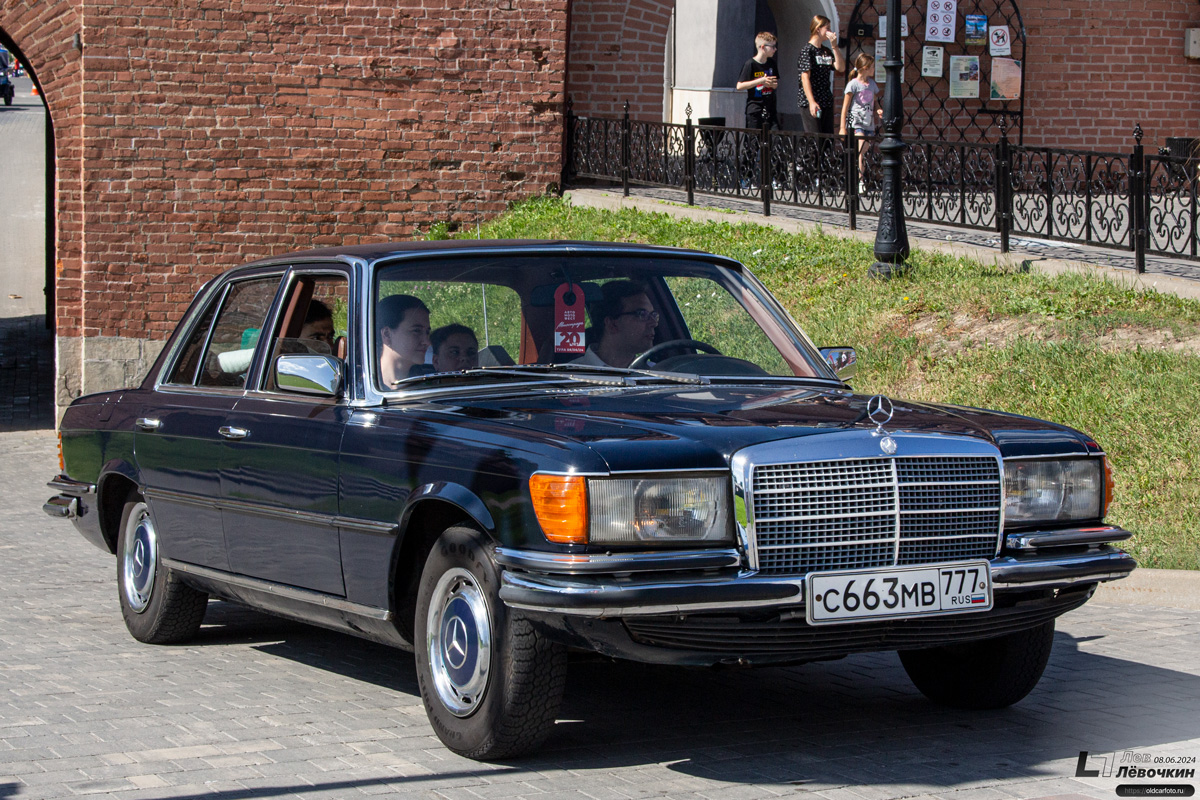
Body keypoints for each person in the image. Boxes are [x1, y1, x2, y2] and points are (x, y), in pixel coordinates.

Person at [572, 280, 659, 369]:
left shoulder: (660, 374)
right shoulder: (569, 376)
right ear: (612, 324)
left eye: (653, 315)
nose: (654, 323)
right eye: (642, 314)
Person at [839, 53, 883, 185]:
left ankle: (857, 175)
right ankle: (860, 180)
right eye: (872, 67)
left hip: (868, 122)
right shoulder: (853, 84)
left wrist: (879, 109)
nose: (874, 69)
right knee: (861, 148)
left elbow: (875, 101)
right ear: (865, 68)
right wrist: (842, 127)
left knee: (863, 151)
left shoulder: (871, 84)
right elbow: (845, 107)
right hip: (856, 121)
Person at [797, 15, 845, 135]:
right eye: (827, 28)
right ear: (818, 28)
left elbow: (840, 67)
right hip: (811, 101)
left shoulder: (826, 51)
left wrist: (834, 46)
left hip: (826, 100)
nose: (829, 31)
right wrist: (811, 102)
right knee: (815, 139)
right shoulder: (807, 51)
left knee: (827, 139)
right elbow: (805, 77)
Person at [378, 294, 431, 386]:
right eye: (416, 331)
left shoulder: (431, 382)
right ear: (387, 334)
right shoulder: (360, 387)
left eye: (427, 332)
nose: (427, 342)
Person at [735, 32, 780, 131]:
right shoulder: (750, 64)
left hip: (770, 108)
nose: (775, 49)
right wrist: (760, 81)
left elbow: (775, 84)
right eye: (772, 47)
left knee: (775, 139)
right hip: (755, 109)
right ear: (763, 47)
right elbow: (739, 86)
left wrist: (771, 84)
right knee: (754, 142)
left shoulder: (772, 63)